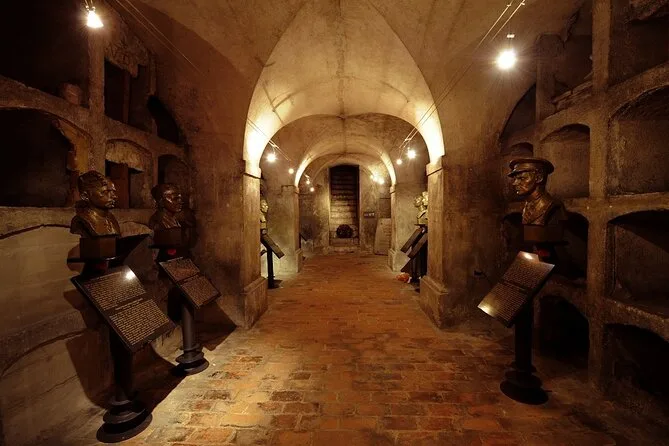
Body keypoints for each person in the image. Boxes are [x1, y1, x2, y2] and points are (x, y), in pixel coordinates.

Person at [508, 157, 566, 226]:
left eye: (522, 178)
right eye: (515, 179)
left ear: (539, 178)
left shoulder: (552, 206)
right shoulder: (525, 207)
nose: (514, 183)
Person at [70, 171, 121, 237]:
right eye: (105, 192)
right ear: (85, 196)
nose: (114, 196)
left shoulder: (111, 218)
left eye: (113, 191)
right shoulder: (81, 220)